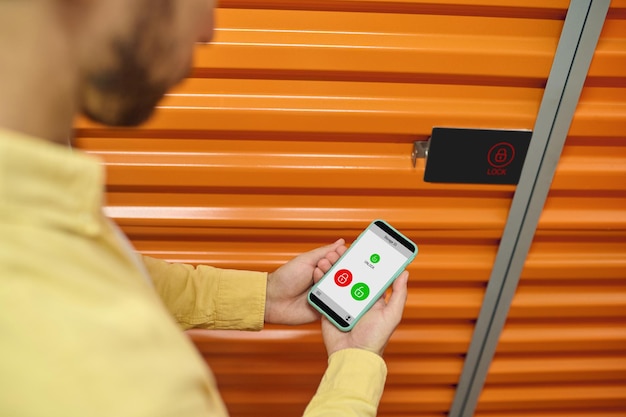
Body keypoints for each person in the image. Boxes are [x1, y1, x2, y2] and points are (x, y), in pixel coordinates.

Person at [0, 0, 410, 416]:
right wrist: (354, 367)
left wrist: (264, 297)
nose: (207, 30)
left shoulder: (32, 210)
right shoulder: (112, 378)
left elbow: (88, 272)